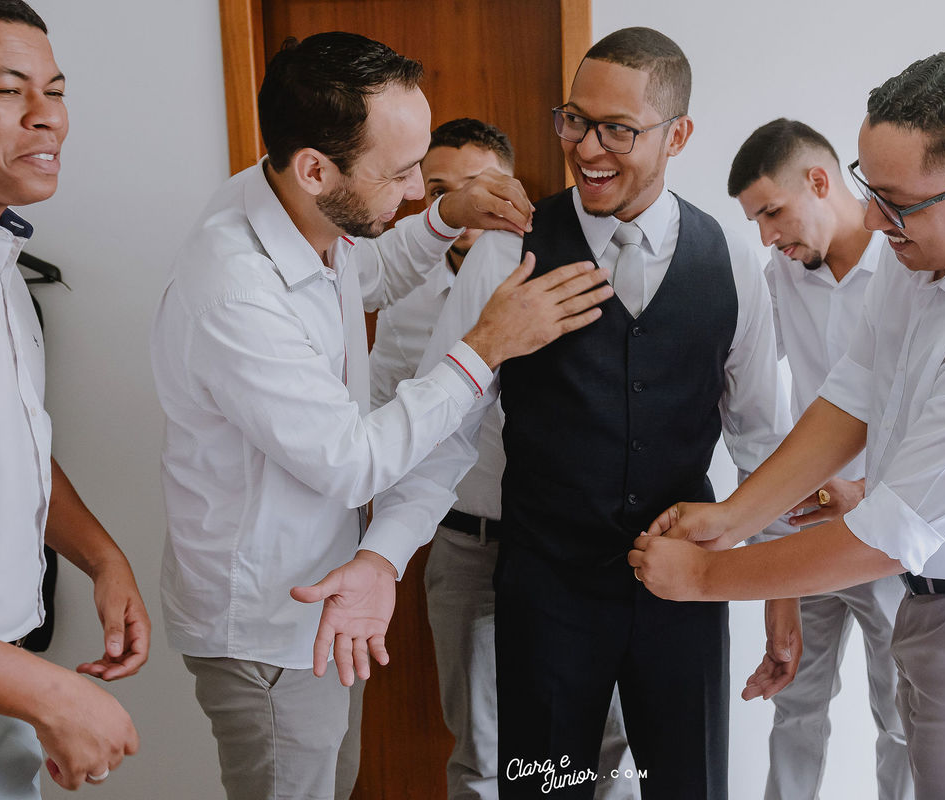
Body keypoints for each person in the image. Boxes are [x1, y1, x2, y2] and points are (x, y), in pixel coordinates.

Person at [630, 50, 945, 799]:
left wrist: (704, 577)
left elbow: (890, 532)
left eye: (894, 201)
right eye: (870, 188)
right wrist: (734, 518)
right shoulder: (918, 242)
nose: (869, 218)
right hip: (941, 590)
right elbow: (853, 395)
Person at [326, 26, 787, 799]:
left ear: (678, 136)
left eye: (618, 129)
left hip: (686, 590)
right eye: (574, 120)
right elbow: (446, 434)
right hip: (548, 598)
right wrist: (382, 558)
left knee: (691, 786)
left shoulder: (734, 260)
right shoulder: (507, 252)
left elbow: (763, 441)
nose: (587, 147)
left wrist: (780, 591)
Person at [152, 33, 614, 800]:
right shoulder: (235, 292)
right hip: (268, 622)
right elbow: (353, 462)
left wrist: (447, 216)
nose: (414, 191)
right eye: (400, 174)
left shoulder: (290, 203)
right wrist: (486, 346)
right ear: (315, 169)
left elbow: (364, 273)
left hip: (324, 595)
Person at [369, 117, 633, 800]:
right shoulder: (401, 303)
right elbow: (384, 432)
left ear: (516, 187)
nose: (468, 205)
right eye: (441, 191)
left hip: (570, 545)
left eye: (483, 184)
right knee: (481, 749)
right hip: (466, 544)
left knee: (609, 739)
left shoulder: (570, 270)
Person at [0, 1, 151, 796]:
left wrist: (102, 558)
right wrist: (52, 695)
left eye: (55, 90)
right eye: (8, 90)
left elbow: (9, 446)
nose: (48, 117)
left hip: (0, 684)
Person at [727, 118, 911, 800]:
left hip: (888, 533)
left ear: (819, 181)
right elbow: (744, 382)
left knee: (901, 718)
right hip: (806, 526)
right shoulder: (783, 272)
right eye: (756, 220)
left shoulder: (908, 267)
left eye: (773, 213)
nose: (767, 236)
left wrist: (868, 493)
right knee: (795, 706)